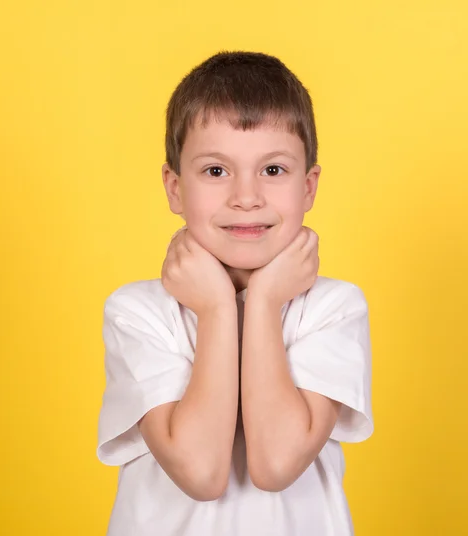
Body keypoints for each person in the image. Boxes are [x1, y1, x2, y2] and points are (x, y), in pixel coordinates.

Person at [97, 50, 373, 536]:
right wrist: (218, 308)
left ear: (308, 187)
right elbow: (201, 472)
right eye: (216, 171)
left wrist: (263, 303)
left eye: (272, 170)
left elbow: (276, 464)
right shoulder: (137, 313)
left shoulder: (333, 309)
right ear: (175, 187)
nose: (246, 197)